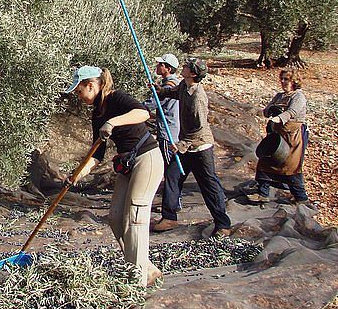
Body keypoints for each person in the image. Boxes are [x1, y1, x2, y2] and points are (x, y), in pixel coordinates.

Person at [64, 65, 164, 287]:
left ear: (91, 85)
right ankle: (145, 268)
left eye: (79, 91)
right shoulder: (97, 113)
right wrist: (76, 175)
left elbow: (143, 113)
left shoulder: (116, 98)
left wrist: (114, 122)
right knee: (116, 217)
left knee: (135, 216)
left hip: (147, 158)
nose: (78, 97)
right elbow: (96, 153)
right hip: (128, 164)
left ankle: (136, 280)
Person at [151, 58, 232, 237]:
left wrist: (182, 145)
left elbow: (199, 127)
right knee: (173, 177)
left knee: (209, 185)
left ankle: (222, 224)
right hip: (186, 147)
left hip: (200, 147)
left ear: (193, 74)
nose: (184, 67)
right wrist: (160, 91)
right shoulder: (183, 86)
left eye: (187, 67)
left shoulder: (198, 98)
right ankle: (169, 217)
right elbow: (172, 92)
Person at [249, 68, 309, 204]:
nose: (283, 82)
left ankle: (301, 198)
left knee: (290, 166)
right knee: (265, 161)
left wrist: (279, 118)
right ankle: (262, 193)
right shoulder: (279, 96)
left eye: (286, 79)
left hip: (293, 136)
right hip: (277, 135)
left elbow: (292, 112)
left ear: (294, 81)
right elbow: (266, 111)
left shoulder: (298, 96)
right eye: (281, 79)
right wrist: (268, 111)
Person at [142, 54, 182, 233]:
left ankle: (171, 210)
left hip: (168, 134)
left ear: (168, 68)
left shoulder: (169, 85)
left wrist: (134, 108)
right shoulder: (173, 84)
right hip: (172, 131)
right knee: (171, 170)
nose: (157, 66)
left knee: (170, 171)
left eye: (160, 64)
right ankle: (174, 204)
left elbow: (152, 104)